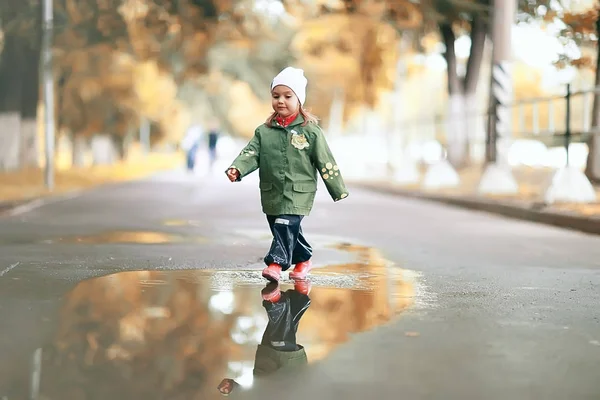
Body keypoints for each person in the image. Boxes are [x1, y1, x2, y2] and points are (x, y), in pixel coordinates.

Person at [225, 67, 349, 282]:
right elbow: (251, 153)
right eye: (276, 96)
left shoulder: (310, 131)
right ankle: (303, 259)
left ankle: (275, 263)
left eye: (287, 96)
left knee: (285, 223)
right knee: (282, 227)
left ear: (299, 99)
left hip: (299, 191)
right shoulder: (264, 132)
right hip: (272, 191)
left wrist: (337, 188)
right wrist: (237, 168)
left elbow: (325, 159)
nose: (281, 101)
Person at [217, 281, 312, 396]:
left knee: (279, 328)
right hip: (288, 373)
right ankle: (276, 302)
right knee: (280, 339)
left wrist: (232, 389)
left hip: (265, 365)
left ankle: (300, 296)